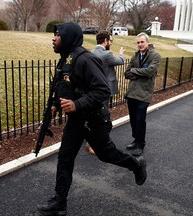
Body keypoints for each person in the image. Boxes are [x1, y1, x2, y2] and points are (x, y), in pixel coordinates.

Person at [37, 22, 147, 216]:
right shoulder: (65, 60)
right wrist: (55, 103)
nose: (53, 38)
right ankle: (60, 202)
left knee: (107, 155)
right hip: (76, 121)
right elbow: (62, 85)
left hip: (94, 120)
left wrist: (77, 104)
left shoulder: (85, 59)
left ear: (69, 37)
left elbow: (103, 90)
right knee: (65, 157)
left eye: (57, 35)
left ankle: (136, 164)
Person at [85, 31, 125, 155]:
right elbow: (120, 61)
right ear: (105, 41)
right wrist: (121, 54)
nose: (111, 43)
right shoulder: (107, 54)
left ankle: (94, 140)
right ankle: (93, 143)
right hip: (104, 90)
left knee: (94, 114)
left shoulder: (90, 53)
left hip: (92, 90)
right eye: (110, 41)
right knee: (101, 116)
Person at [124, 32, 161, 157]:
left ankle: (141, 144)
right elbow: (126, 73)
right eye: (138, 42)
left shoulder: (155, 55)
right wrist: (138, 72)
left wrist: (134, 71)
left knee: (140, 119)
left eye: (142, 42)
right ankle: (136, 140)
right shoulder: (135, 56)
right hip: (132, 92)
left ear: (147, 42)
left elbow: (150, 72)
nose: (140, 44)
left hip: (145, 93)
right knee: (133, 119)